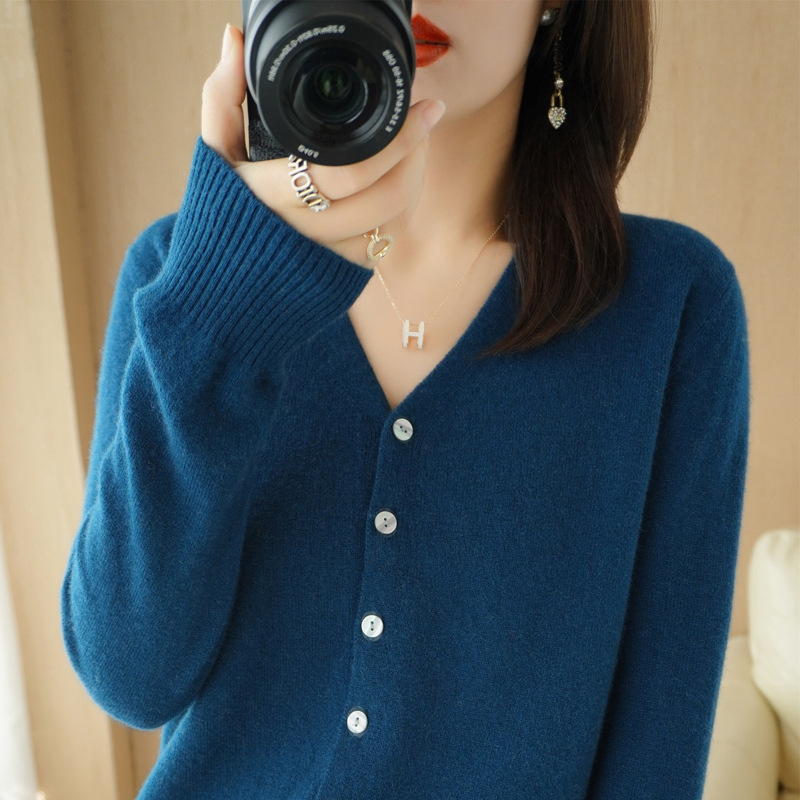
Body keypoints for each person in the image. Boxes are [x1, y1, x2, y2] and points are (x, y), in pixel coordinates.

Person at [61, 1, 749, 798]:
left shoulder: (673, 305)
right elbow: (129, 678)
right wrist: (221, 306)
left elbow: (657, 759)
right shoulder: (183, 277)